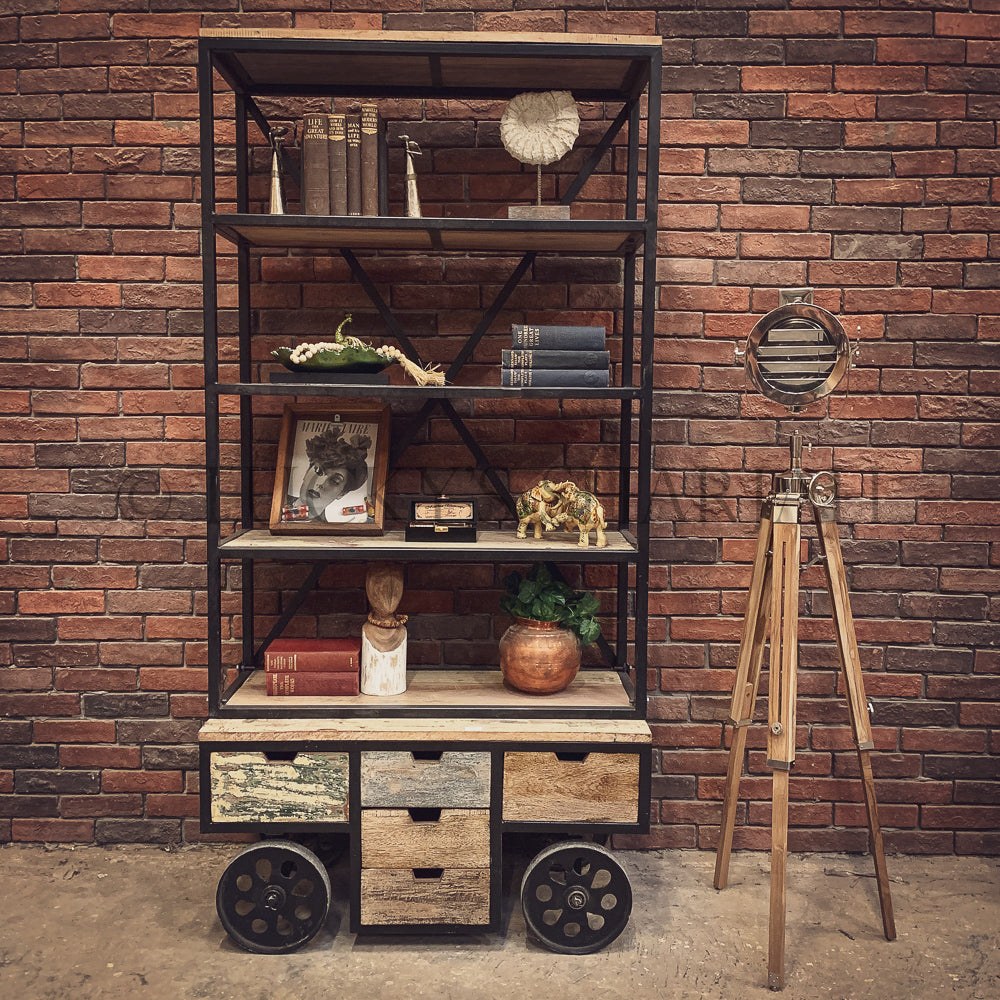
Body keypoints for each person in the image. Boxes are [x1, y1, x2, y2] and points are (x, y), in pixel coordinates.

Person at [287, 425, 371, 521]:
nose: (320, 483)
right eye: (318, 471)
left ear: (342, 493)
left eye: (334, 481)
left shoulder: (326, 533)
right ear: (307, 472)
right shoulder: (274, 504)